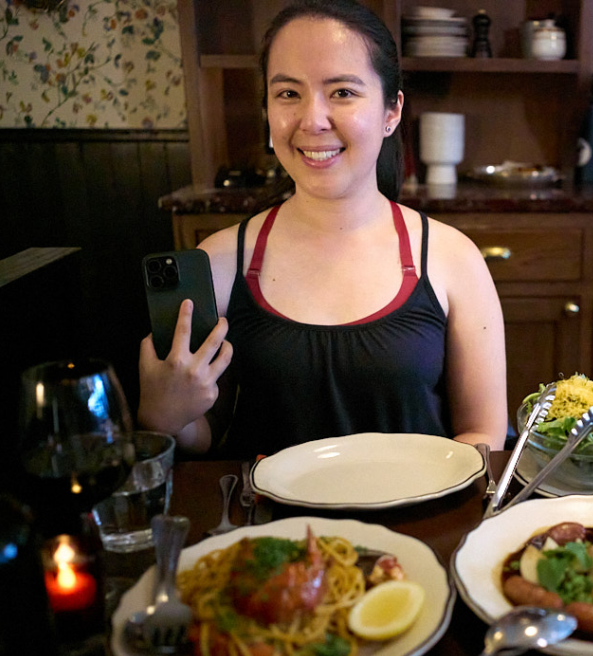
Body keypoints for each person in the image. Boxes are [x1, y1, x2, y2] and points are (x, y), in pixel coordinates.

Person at [137, 0, 507, 457]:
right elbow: (205, 439)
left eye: (343, 93)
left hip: (419, 524)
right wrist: (165, 418)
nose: (311, 121)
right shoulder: (218, 262)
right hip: (275, 527)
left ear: (392, 111)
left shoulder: (453, 259)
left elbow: (482, 433)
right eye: (288, 94)